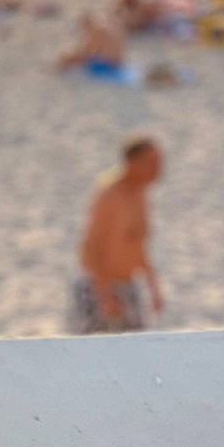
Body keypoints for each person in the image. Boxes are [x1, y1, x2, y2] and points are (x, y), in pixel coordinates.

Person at [72, 135, 165, 334]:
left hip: (128, 285)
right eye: (152, 162)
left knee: (138, 352)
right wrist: (104, 294)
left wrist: (153, 287)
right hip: (97, 287)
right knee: (92, 354)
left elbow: (138, 243)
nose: (159, 169)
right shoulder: (109, 194)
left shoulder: (140, 193)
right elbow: (91, 246)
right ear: (132, 162)